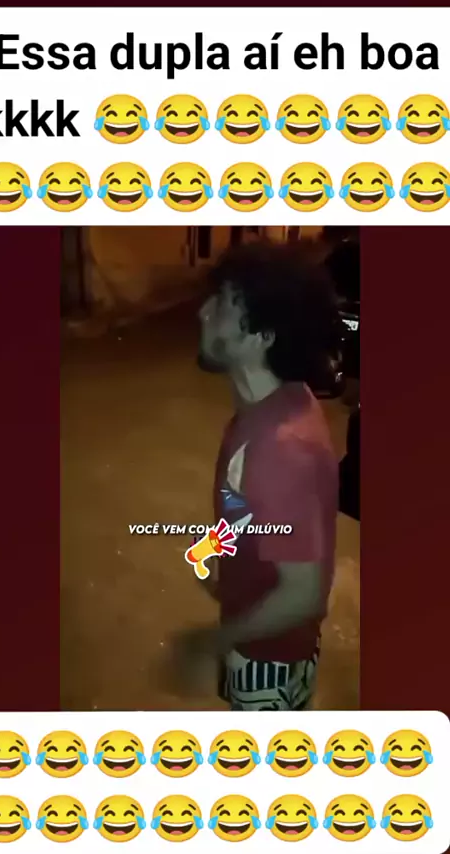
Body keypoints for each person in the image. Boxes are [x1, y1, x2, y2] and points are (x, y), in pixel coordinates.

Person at [169, 241, 340, 711]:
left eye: (224, 303)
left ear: (263, 334)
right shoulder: (279, 403)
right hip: (260, 635)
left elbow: (304, 594)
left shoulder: (278, 448)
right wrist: (221, 554)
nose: (203, 312)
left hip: (268, 660)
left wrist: (211, 640)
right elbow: (264, 517)